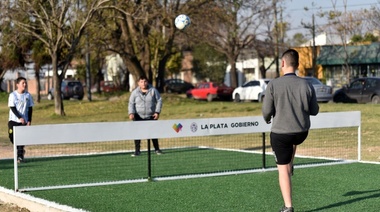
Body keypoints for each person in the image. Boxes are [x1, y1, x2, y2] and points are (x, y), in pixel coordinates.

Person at [262, 49, 319, 212]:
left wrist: (267, 118)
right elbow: (314, 110)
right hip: (301, 133)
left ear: (282, 63)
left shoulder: (273, 84)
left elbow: (266, 112)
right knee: (292, 141)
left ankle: (288, 207)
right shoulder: (307, 84)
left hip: (281, 135)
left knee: (283, 170)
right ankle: (290, 163)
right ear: (298, 65)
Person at [128, 76, 163, 157]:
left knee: (153, 134)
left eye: (145, 81)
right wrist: (131, 113)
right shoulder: (135, 92)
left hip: (151, 116)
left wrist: (157, 112)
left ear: (147, 82)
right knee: (137, 134)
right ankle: (137, 151)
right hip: (138, 116)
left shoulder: (153, 90)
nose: (143, 83)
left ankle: (157, 149)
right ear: (138, 83)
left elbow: (159, 100)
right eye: (141, 82)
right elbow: (131, 103)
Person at [8, 76, 34, 163]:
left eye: (25, 83)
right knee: (12, 137)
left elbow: (30, 108)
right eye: (23, 83)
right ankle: (20, 151)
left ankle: (20, 156)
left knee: (21, 139)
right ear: (17, 85)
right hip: (13, 121)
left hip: (24, 121)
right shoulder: (13, 95)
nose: (25, 84)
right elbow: (12, 107)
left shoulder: (28, 95)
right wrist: (19, 117)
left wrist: (29, 120)